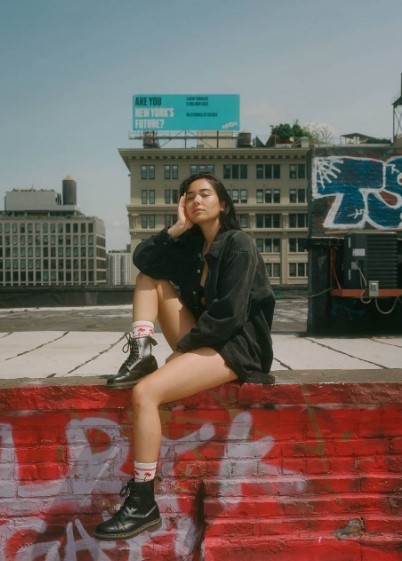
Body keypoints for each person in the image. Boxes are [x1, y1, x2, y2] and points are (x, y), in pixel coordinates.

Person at [94, 173, 275, 541]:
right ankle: (142, 352)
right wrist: (177, 228)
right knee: (149, 279)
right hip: (203, 338)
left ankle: (143, 501)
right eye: (189, 196)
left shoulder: (238, 243)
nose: (196, 201)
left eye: (205, 194)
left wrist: (181, 351)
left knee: (145, 394)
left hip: (236, 347)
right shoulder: (193, 248)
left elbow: (230, 316)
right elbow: (143, 258)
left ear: (222, 204)